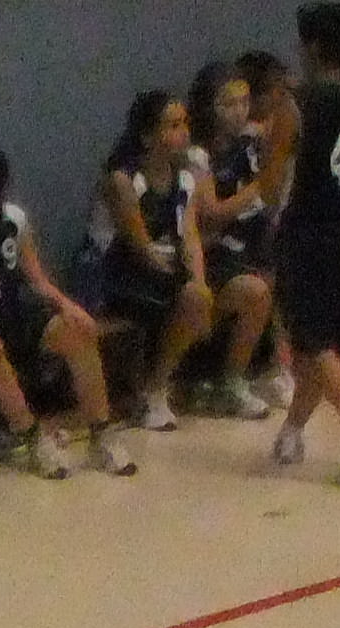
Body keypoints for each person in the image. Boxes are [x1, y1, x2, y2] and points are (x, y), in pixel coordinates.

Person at [0, 144, 136, 477]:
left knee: (78, 332)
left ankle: (101, 433)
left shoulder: (14, 221)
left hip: (9, 310)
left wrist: (69, 306)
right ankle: (34, 439)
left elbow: (36, 278)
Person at [263, 2, 340, 484]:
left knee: (312, 342)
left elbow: (271, 185)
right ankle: (292, 432)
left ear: (312, 47)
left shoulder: (295, 104)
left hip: (307, 233)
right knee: (324, 344)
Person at [90, 90, 222, 432]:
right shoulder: (124, 181)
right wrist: (182, 283)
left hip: (162, 273)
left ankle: (156, 386)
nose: (184, 133)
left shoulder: (186, 180)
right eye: (173, 126)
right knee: (190, 300)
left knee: (199, 297)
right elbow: (140, 246)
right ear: (148, 136)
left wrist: (198, 280)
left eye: (185, 124)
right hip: (122, 275)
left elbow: (189, 236)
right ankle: (148, 389)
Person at [189, 57, 290, 411]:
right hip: (211, 256)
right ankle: (227, 380)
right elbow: (212, 214)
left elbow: (270, 199)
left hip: (247, 246)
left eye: (244, 102)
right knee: (257, 291)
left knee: (283, 272)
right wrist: (260, 185)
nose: (239, 111)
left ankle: (276, 368)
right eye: (228, 103)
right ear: (209, 107)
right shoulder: (198, 155)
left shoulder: (249, 145)